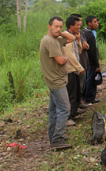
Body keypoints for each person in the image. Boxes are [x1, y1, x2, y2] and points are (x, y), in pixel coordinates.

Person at [39, 16, 76, 150]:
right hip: (56, 82)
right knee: (65, 109)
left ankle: (53, 136)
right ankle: (57, 139)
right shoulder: (49, 41)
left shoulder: (56, 39)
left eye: (60, 27)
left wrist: (60, 33)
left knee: (54, 110)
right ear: (49, 26)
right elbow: (60, 60)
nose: (58, 29)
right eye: (55, 26)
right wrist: (66, 58)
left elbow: (72, 38)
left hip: (55, 80)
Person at [63, 16, 86, 127]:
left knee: (77, 92)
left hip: (74, 70)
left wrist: (78, 40)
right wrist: (80, 68)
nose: (79, 26)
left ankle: (75, 111)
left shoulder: (73, 37)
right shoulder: (66, 38)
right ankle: (68, 117)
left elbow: (79, 51)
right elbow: (70, 56)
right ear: (71, 26)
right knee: (71, 94)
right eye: (77, 25)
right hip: (70, 70)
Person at [83, 15, 101, 104]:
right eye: (94, 22)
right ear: (89, 23)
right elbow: (92, 51)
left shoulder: (85, 32)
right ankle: (90, 98)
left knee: (88, 78)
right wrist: (97, 64)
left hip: (87, 61)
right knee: (91, 79)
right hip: (90, 61)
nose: (96, 24)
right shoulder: (89, 35)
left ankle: (88, 96)